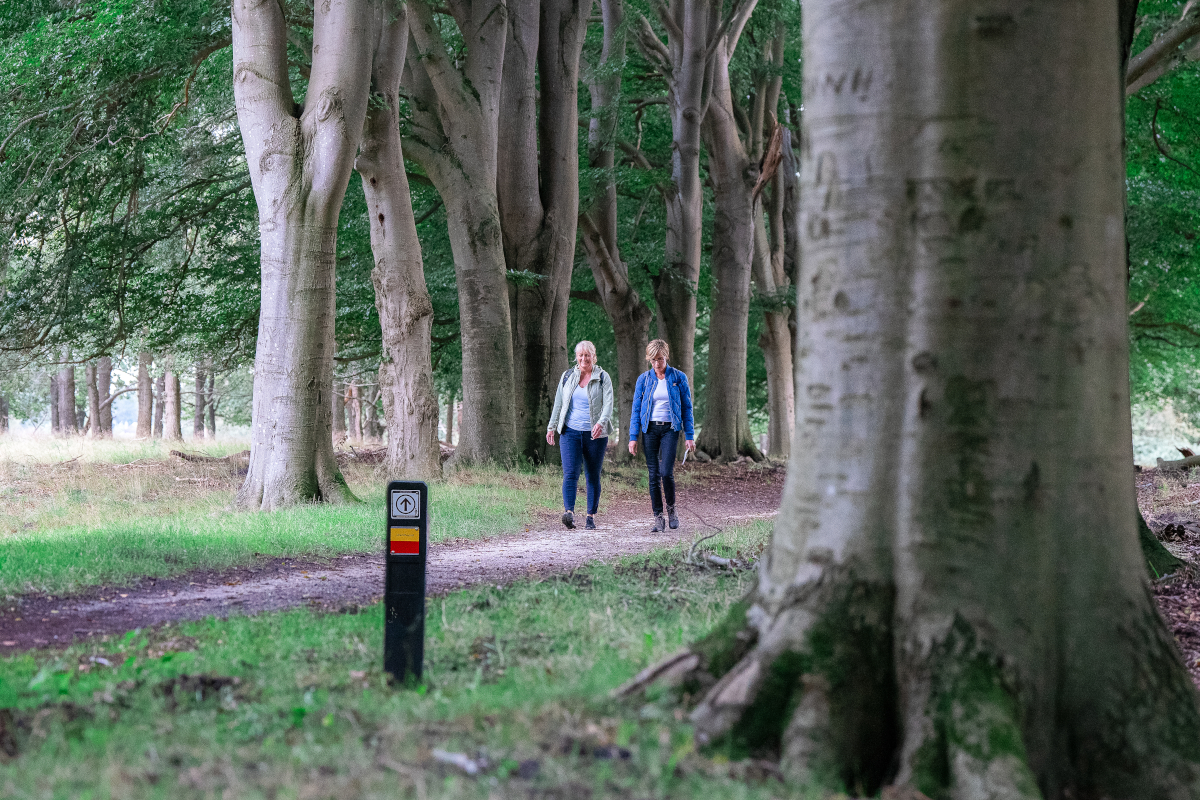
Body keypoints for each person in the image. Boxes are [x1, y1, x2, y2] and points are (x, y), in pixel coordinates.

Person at [546, 341, 616, 530]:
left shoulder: (603, 377)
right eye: (580, 355)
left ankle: (590, 517)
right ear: (576, 356)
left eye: (587, 355)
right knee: (570, 473)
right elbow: (558, 403)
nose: (584, 358)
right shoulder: (567, 376)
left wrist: (601, 422)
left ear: (594, 356)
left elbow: (609, 403)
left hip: (595, 435)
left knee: (592, 475)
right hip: (570, 432)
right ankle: (569, 513)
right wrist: (551, 427)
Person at [628, 339, 695, 532]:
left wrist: (689, 435)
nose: (657, 363)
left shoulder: (678, 377)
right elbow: (636, 409)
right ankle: (658, 517)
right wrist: (633, 437)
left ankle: (672, 510)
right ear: (649, 360)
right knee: (653, 475)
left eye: (660, 358)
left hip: (670, 429)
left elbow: (687, 408)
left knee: (666, 472)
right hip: (649, 429)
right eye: (653, 359)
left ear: (666, 356)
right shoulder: (644, 379)